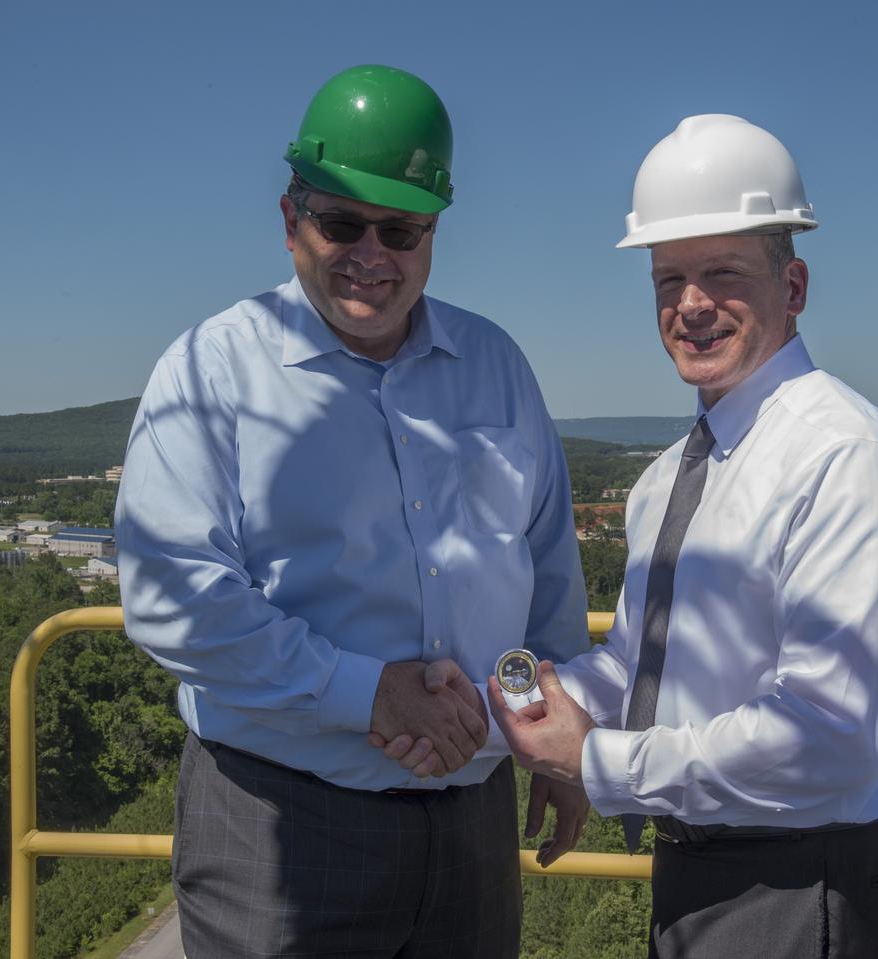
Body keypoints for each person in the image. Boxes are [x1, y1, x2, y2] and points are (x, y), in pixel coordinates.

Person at [387, 114, 878, 957]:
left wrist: (600, 764)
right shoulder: (671, 478)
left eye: (722, 274)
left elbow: (833, 735)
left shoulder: (846, 460)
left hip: (800, 882)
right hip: (700, 867)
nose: (690, 306)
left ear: (792, 286)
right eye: (667, 278)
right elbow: (642, 664)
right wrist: (531, 694)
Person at [114, 64, 589, 958]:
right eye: (342, 223)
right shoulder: (213, 371)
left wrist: (545, 734)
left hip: (472, 831)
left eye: (401, 228)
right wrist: (369, 692)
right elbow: (172, 594)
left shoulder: (497, 369)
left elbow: (546, 584)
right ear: (291, 221)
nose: (373, 253)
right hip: (281, 828)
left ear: (434, 234)